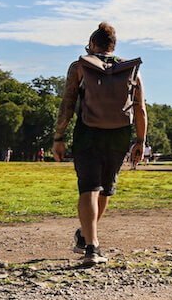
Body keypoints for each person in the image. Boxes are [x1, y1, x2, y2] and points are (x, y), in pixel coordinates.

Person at [52, 22, 148, 267]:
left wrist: (58, 138)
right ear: (112, 46)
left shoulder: (79, 66)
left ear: (92, 44)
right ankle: (87, 236)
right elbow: (141, 109)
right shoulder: (131, 69)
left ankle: (91, 246)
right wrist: (140, 141)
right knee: (105, 188)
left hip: (88, 132)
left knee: (88, 188)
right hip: (119, 134)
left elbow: (68, 104)